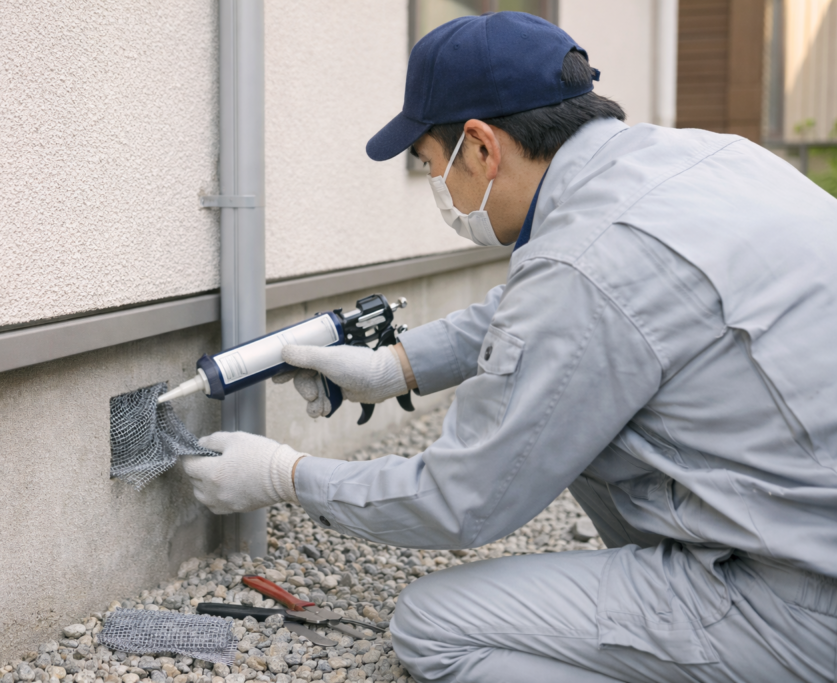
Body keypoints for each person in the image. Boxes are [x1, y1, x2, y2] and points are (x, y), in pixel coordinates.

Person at [183, 12, 837, 683]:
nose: (437, 185)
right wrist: (395, 367)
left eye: (429, 163)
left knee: (433, 628)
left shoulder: (584, 260)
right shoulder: (699, 161)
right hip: (811, 526)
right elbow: (563, 310)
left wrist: (284, 476)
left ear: (480, 148)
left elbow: (462, 497)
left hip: (801, 603)